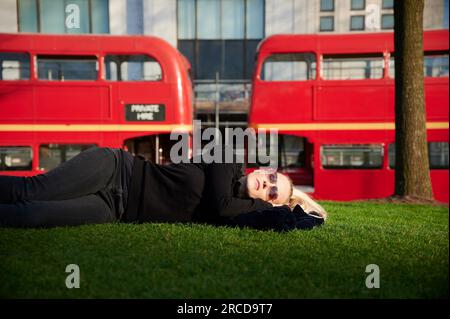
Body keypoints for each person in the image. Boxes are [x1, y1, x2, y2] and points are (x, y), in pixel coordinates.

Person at [0, 146, 326, 228]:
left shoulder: (243, 212)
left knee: (33, 216)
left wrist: (288, 210)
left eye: (272, 191)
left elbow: (261, 220)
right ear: (264, 169)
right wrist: (273, 205)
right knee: (31, 191)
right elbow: (221, 205)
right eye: (271, 178)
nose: (266, 183)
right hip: (114, 170)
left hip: (116, 210)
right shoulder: (227, 161)